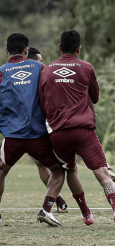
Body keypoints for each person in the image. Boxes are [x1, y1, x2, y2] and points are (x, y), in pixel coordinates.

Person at [39, 30, 115, 229]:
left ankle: (80, 213)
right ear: (78, 49)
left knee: (68, 170)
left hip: (58, 133)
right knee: (102, 172)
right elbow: (95, 97)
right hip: (83, 131)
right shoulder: (86, 68)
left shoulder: (46, 71)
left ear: (59, 48)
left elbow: (42, 102)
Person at [0, 33, 65, 227]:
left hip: (13, 136)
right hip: (38, 135)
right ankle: (46, 210)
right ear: (26, 51)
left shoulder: (2, 71)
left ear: (6, 50)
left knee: (2, 170)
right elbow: (53, 95)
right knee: (58, 171)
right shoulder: (39, 68)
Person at [27, 47, 69, 213]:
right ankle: (56, 200)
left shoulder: (45, 73)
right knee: (43, 164)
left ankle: (56, 199)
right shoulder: (20, 76)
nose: (42, 64)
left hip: (47, 123)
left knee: (51, 165)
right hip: (32, 126)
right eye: (39, 61)